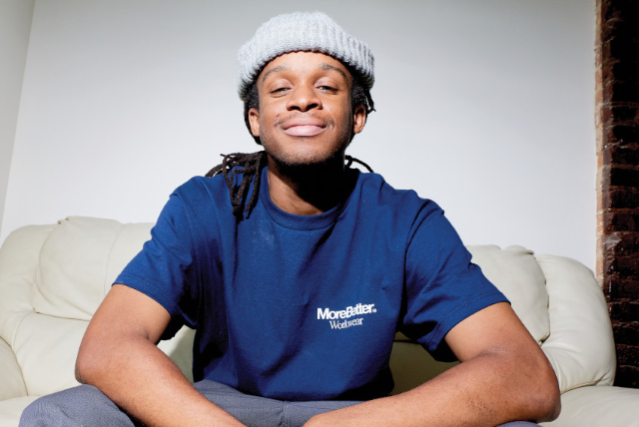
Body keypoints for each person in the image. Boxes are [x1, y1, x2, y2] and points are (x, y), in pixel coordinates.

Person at [20, 11, 560, 427]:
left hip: (353, 415)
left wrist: (341, 426)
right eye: (280, 88)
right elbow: (107, 346)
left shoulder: (407, 221)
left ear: (358, 115)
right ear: (256, 120)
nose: (303, 101)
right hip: (224, 412)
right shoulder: (202, 206)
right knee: (61, 414)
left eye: (326, 86)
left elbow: (527, 376)